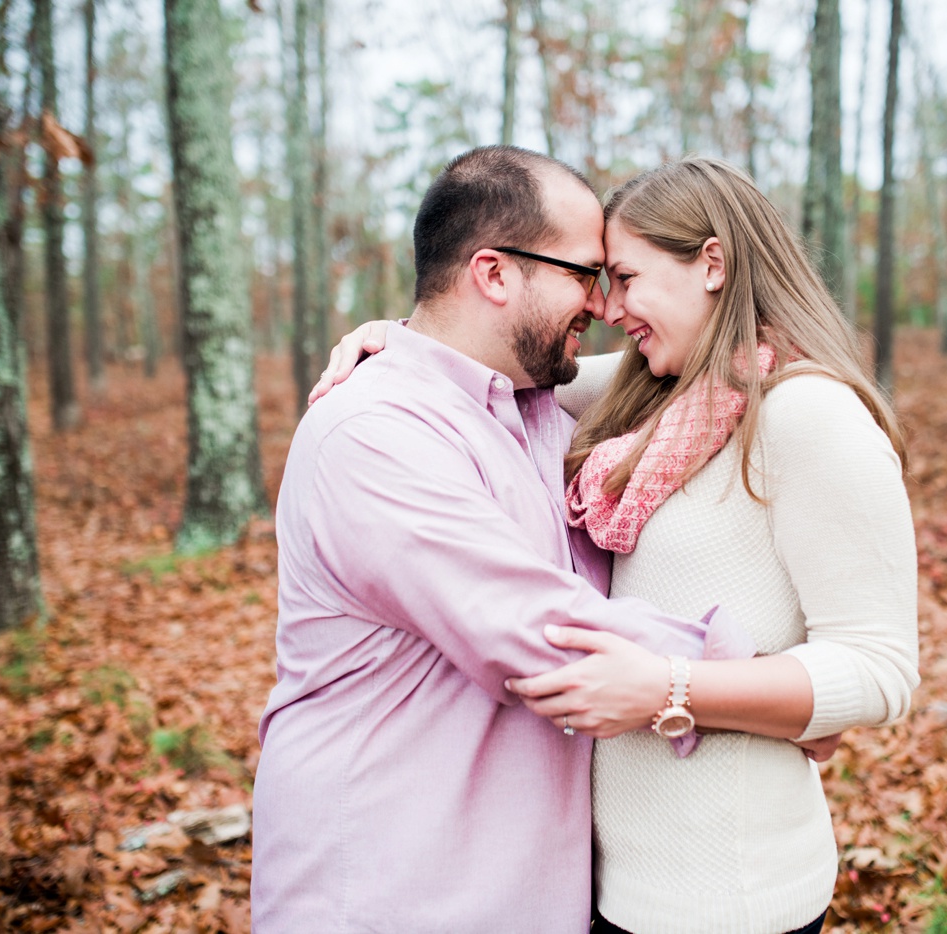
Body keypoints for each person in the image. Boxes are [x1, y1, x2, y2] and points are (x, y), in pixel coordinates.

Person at [319, 156, 919, 934]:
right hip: (611, 891)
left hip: (730, 900)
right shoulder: (650, 394)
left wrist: (675, 689)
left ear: (712, 264)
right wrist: (391, 339)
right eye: (600, 279)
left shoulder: (809, 417)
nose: (609, 307)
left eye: (627, 278)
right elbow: (492, 358)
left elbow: (880, 668)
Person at [251, 146, 760, 934]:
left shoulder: (539, 419)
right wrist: (770, 690)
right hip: (391, 898)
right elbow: (540, 630)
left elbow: (666, 370)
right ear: (493, 273)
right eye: (584, 275)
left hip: (534, 897)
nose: (599, 304)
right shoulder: (371, 432)